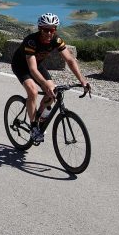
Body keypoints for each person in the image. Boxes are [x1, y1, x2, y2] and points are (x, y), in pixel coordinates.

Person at [11, 13, 90, 142]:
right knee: (33, 91)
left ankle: (40, 116)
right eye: (46, 30)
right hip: (21, 66)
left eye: (52, 30)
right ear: (39, 29)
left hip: (38, 65)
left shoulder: (56, 40)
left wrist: (82, 80)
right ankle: (33, 128)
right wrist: (43, 84)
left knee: (52, 90)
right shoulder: (31, 41)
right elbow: (32, 69)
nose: (49, 33)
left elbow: (70, 59)